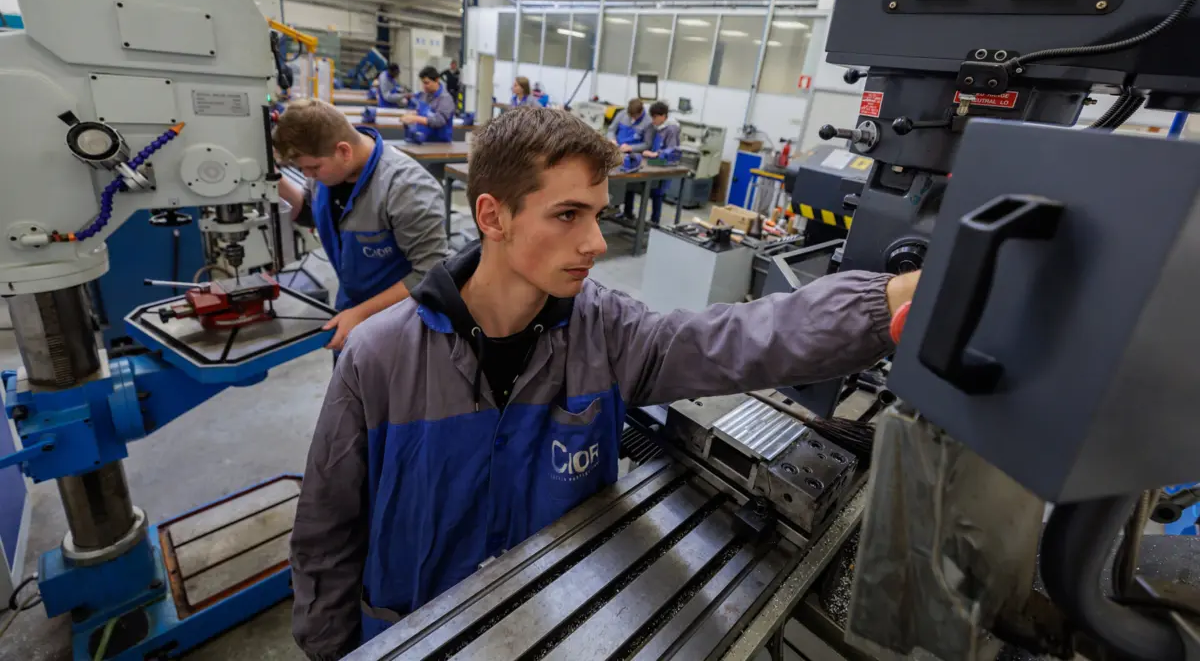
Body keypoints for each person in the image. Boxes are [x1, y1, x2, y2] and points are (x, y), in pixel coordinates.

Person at [289, 106, 920, 659]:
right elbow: (327, 526)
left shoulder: (608, 333)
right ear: (493, 215)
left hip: (558, 624)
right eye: (567, 214)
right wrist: (330, 647)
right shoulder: (380, 357)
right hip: (412, 631)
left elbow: (733, 340)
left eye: (598, 215)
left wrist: (883, 303)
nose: (595, 242)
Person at [274, 99, 448, 352]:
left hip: (403, 322)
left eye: (312, 167)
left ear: (344, 151)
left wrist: (361, 314)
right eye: (303, 169)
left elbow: (431, 273)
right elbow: (314, 214)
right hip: (351, 309)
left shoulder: (406, 187)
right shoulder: (327, 174)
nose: (308, 175)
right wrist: (273, 179)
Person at [609, 98, 655, 219]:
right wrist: (612, 139)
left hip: (632, 156)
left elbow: (647, 144)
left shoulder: (648, 122)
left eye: (635, 116)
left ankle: (627, 212)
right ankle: (613, 209)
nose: (632, 118)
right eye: (631, 115)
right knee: (611, 180)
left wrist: (631, 148)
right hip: (616, 151)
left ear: (641, 112)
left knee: (629, 185)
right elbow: (611, 130)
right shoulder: (622, 114)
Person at [642, 100, 681, 225]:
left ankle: (655, 220)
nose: (653, 120)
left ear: (663, 116)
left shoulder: (671, 129)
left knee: (658, 192)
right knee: (651, 189)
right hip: (656, 161)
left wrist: (656, 154)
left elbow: (672, 149)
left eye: (655, 117)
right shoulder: (659, 127)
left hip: (666, 163)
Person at [401, 65, 456, 143]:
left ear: (436, 80)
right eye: (422, 83)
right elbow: (421, 111)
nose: (424, 86)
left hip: (439, 144)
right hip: (424, 140)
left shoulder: (445, 99)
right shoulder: (426, 95)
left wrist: (415, 118)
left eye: (427, 83)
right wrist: (411, 114)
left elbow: (439, 121)